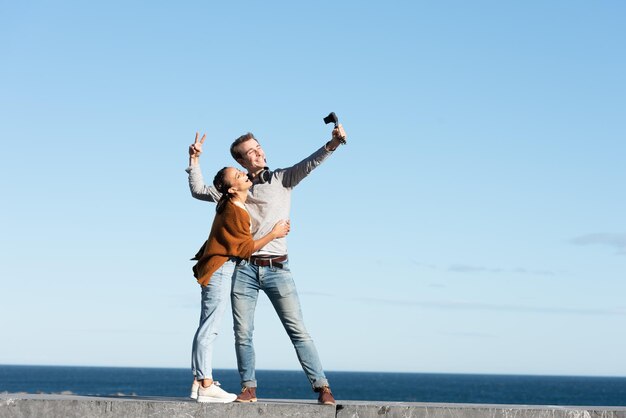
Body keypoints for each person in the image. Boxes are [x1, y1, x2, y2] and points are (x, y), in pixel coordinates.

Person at [187, 122, 346, 405]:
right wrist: (195, 160)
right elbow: (199, 189)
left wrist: (332, 144)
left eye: (259, 147)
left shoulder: (282, 178)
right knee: (243, 332)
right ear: (240, 161)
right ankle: (248, 389)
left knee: (297, 329)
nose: (259, 153)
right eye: (251, 151)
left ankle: (322, 387)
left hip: (278, 268)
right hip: (244, 268)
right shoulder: (235, 188)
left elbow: (310, 164)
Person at [188, 147, 290, 403]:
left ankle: (198, 382)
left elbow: (199, 189)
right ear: (232, 188)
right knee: (209, 328)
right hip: (221, 270)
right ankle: (205, 384)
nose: (245, 174)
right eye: (238, 175)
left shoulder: (231, 203)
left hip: (218, 268)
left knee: (206, 325)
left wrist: (195, 160)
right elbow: (245, 249)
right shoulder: (235, 210)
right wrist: (273, 235)